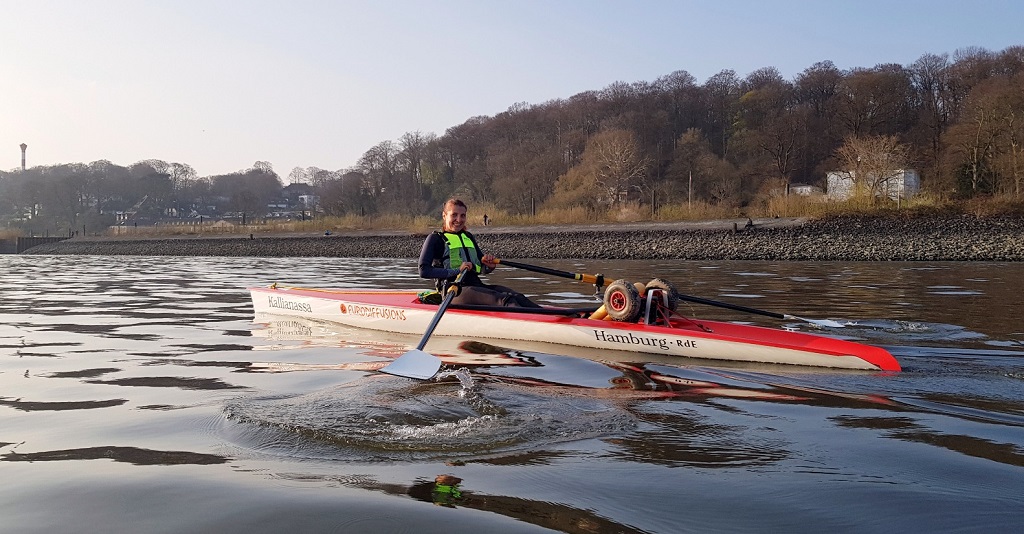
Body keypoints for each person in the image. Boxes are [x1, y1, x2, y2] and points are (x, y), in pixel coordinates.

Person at [418, 198, 540, 307]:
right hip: (453, 291)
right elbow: (423, 270)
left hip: (476, 286)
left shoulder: (468, 237)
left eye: (463, 215)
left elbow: (480, 267)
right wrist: (457, 270)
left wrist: (489, 267)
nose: (459, 220)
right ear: (444, 216)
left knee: (518, 297)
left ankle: (553, 320)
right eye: (454, 215)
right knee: (505, 300)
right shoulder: (435, 239)